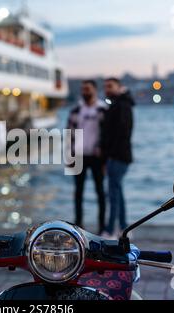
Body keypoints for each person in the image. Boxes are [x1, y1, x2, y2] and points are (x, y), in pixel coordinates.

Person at [67, 79, 108, 234]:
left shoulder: (103, 109)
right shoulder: (77, 110)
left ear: (95, 90)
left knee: (100, 192)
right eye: (83, 89)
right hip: (79, 155)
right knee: (78, 192)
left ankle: (102, 227)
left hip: (97, 156)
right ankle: (78, 226)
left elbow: (108, 136)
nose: (85, 92)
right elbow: (69, 134)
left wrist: (105, 157)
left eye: (88, 89)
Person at [102, 77, 135, 238]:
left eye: (110, 86)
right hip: (120, 155)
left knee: (113, 194)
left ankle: (110, 231)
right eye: (105, 87)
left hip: (118, 156)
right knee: (118, 192)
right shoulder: (120, 104)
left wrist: (109, 154)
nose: (107, 89)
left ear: (119, 87)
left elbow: (121, 133)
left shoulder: (121, 106)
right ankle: (123, 228)